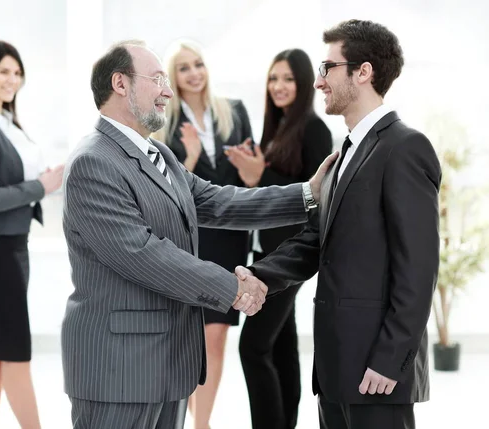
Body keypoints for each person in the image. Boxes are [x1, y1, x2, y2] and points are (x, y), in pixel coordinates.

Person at [60, 40, 337, 429]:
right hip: (119, 371)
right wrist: (234, 288)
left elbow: (217, 202)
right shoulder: (93, 161)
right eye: (157, 79)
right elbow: (143, 254)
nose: (168, 91)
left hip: (167, 367)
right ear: (120, 84)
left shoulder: (159, 155)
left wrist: (308, 194)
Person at [237, 20, 441, 429]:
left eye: (326, 67)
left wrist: (390, 360)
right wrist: (258, 276)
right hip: (336, 370)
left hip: (377, 372)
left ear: (362, 72)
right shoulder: (342, 154)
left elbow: (418, 269)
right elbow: (317, 239)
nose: (318, 82)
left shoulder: (405, 147)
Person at [0, 40, 64, 429]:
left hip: (12, 245)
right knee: (16, 352)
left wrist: (44, 182)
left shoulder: (7, 122)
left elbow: (17, 181)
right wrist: (43, 184)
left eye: (17, 72)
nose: (12, 79)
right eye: (3, 71)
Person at [226, 48, 332, 429]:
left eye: (288, 78)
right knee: (280, 347)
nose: (279, 86)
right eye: (274, 78)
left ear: (304, 83)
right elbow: (265, 193)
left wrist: (260, 176)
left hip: (289, 258)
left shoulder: (313, 128)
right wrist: (249, 171)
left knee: (252, 349)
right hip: (269, 253)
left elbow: (315, 198)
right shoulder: (276, 128)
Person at [152, 39, 254, 429]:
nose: (193, 73)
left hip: (229, 239)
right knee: (189, 337)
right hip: (191, 240)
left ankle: (202, 423)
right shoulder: (164, 122)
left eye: (198, 64)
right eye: (183, 68)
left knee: (216, 337)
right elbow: (165, 186)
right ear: (173, 78)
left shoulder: (235, 112)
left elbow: (249, 179)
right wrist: (190, 156)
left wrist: (250, 167)